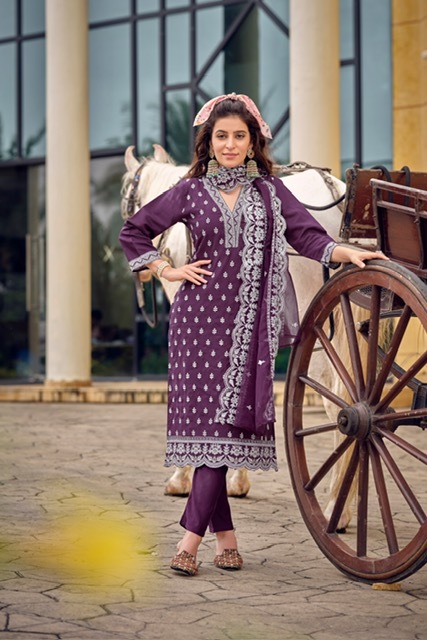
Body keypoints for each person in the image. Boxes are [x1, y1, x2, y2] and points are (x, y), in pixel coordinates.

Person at [119, 93, 387, 577]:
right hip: (197, 325)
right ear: (208, 142)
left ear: (252, 142)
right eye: (221, 136)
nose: (229, 144)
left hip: (247, 330)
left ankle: (193, 540)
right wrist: (166, 269)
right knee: (209, 437)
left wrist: (346, 253)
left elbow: (307, 235)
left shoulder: (269, 192)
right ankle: (216, 540)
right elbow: (134, 231)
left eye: (238, 136)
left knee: (221, 435)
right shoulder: (189, 191)